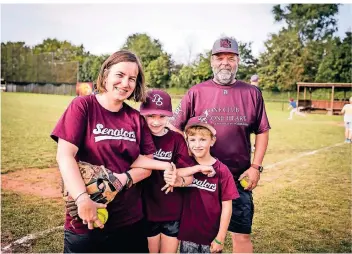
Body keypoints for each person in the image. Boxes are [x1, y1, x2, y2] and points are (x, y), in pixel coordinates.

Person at [51, 50, 175, 253]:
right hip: (87, 216)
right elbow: (65, 156)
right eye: (120, 75)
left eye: (132, 79)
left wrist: (118, 181)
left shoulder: (135, 118)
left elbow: (145, 165)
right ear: (106, 74)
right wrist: (82, 198)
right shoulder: (83, 106)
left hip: (129, 220)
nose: (125, 83)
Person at [168, 36, 271, 253]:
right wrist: (187, 162)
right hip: (200, 178)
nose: (225, 62)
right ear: (212, 61)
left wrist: (255, 167)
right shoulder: (197, 92)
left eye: (230, 58)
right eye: (220, 57)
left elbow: (262, 130)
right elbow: (175, 127)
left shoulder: (252, 93)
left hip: (237, 177)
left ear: (238, 61)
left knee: (241, 236)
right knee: (198, 235)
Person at [140, 89, 215, 253]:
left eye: (162, 116)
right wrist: (164, 166)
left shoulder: (176, 139)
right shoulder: (138, 136)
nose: (156, 122)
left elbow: (188, 177)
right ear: (142, 114)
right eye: (150, 116)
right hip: (146, 210)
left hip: (172, 210)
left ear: (169, 116)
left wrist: (177, 180)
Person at [164, 117, 239, 253]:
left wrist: (220, 238)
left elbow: (227, 207)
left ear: (212, 141)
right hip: (188, 235)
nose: (197, 145)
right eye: (192, 140)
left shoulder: (222, 170)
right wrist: (197, 168)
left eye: (203, 139)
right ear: (187, 141)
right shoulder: (186, 164)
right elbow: (175, 172)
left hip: (211, 237)